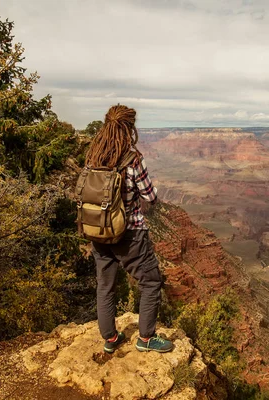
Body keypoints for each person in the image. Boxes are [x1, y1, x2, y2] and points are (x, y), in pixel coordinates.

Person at [84, 104, 173, 354]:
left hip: (99, 232)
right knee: (151, 281)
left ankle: (110, 338)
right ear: (129, 128)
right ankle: (145, 339)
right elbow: (150, 196)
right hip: (130, 234)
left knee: (105, 284)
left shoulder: (93, 156)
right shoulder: (131, 159)